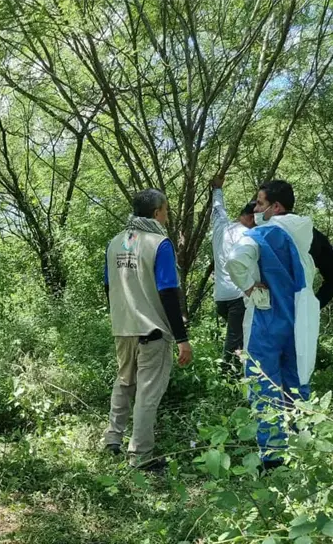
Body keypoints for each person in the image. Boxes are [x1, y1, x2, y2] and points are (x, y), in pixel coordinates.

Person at [226, 179, 333, 470]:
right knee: (297, 381)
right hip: (300, 322)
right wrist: (312, 304)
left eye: (259, 203)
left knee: (264, 385)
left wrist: (250, 287)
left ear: (276, 207)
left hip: (266, 321)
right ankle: (301, 448)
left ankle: (273, 457)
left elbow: (235, 261)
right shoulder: (311, 234)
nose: (255, 209)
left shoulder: (259, 234)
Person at [102, 189, 193, 471]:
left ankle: (112, 439)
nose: (167, 216)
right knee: (147, 393)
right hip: (152, 330)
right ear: (156, 213)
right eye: (165, 210)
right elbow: (168, 292)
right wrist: (182, 338)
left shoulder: (115, 242)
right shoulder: (159, 243)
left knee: (124, 382)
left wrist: (122, 315)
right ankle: (140, 455)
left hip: (123, 327)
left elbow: (108, 286)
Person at [210, 173, 256, 376]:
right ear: (251, 217)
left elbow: (217, 208)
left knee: (238, 336)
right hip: (238, 296)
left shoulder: (221, 226)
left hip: (220, 297)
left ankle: (238, 374)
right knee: (235, 340)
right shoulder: (249, 235)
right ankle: (228, 377)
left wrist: (217, 189)